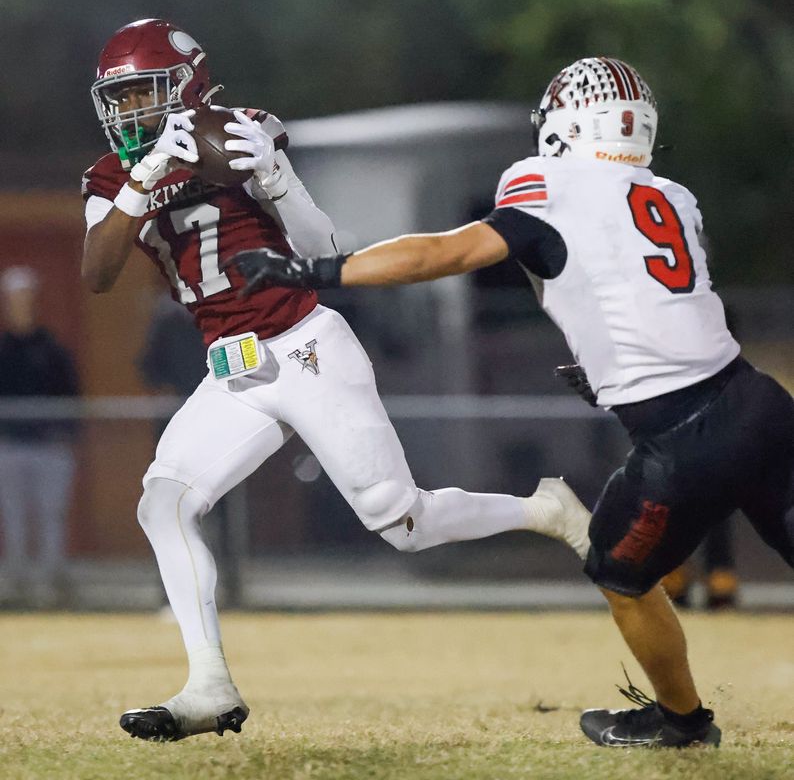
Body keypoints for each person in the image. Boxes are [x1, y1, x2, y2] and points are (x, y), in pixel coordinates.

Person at [231, 56, 794, 749]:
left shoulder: (547, 184)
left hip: (682, 439)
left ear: (567, 126)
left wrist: (318, 271)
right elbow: (655, 298)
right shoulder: (670, 195)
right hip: (758, 402)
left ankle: (681, 721)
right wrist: (609, 371)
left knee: (618, 571)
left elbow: (444, 253)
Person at [81, 19, 590, 742]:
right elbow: (97, 272)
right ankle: (209, 686)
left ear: (187, 86)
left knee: (404, 523)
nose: (130, 110)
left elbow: (324, 249)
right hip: (232, 370)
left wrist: (277, 178)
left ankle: (545, 511)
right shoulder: (111, 175)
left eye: (144, 92)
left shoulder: (241, 131)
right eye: (121, 97)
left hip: (305, 346)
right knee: (164, 502)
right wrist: (144, 177)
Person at [0, 266, 80, 607]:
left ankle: (51, 584)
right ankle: (16, 584)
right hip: (10, 446)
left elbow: (71, 394)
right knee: (13, 516)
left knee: (51, 515)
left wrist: (66, 433)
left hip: (49, 447)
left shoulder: (52, 349)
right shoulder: (3, 350)